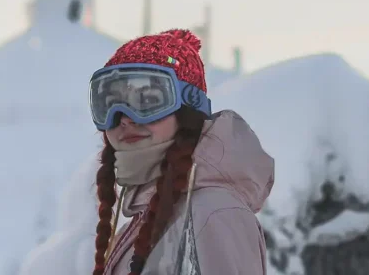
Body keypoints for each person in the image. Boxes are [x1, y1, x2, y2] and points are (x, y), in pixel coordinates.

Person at [87, 29, 275, 275]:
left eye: (148, 100)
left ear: (188, 109)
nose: (124, 119)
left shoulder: (214, 214)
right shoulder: (144, 223)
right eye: (110, 103)